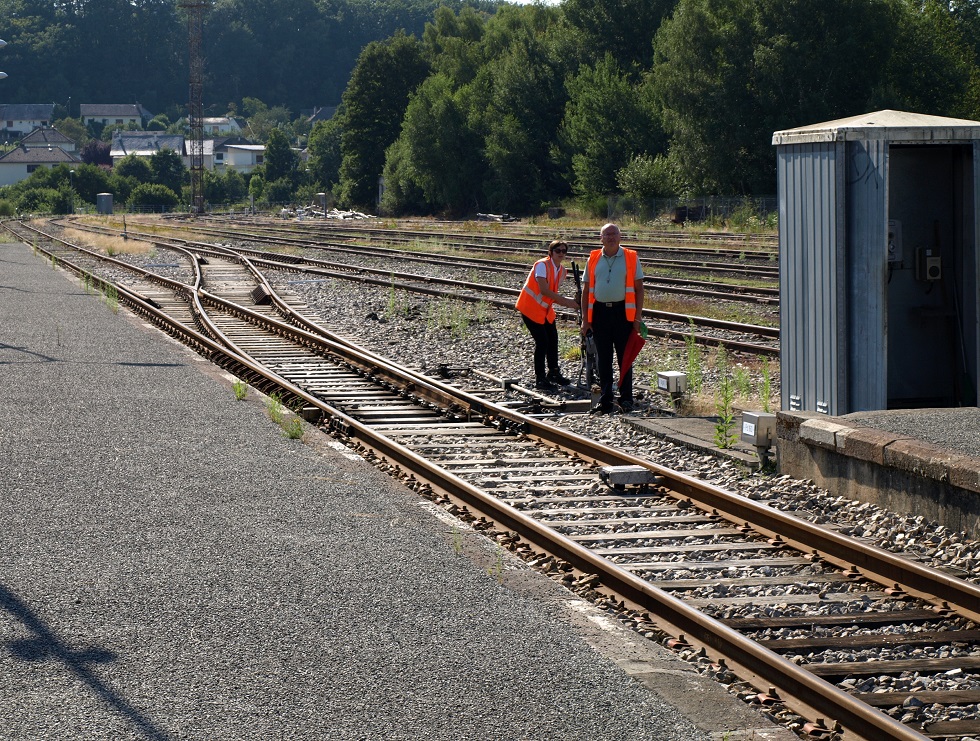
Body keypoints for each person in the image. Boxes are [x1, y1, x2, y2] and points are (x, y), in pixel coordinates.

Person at [580, 223, 644, 413]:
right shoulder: (593, 258)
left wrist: (637, 318)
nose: (611, 237)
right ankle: (606, 399)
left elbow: (639, 289)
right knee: (603, 359)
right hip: (600, 314)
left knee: (625, 358)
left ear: (620, 236)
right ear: (601, 238)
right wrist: (585, 319)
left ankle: (626, 398)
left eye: (614, 233)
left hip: (623, 314)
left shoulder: (631, 257)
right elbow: (585, 290)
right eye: (607, 234)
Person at [515, 239, 580, 390]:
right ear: (550, 252)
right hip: (529, 308)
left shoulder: (562, 271)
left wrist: (574, 300)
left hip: (545, 311)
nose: (561, 254)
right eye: (558, 251)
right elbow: (544, 290)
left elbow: (551, 294)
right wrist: (567, 302)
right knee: (542, 342)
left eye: (564, 251)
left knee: (553, 340)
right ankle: (540, 379)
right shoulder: (542, 265)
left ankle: (554, 372)